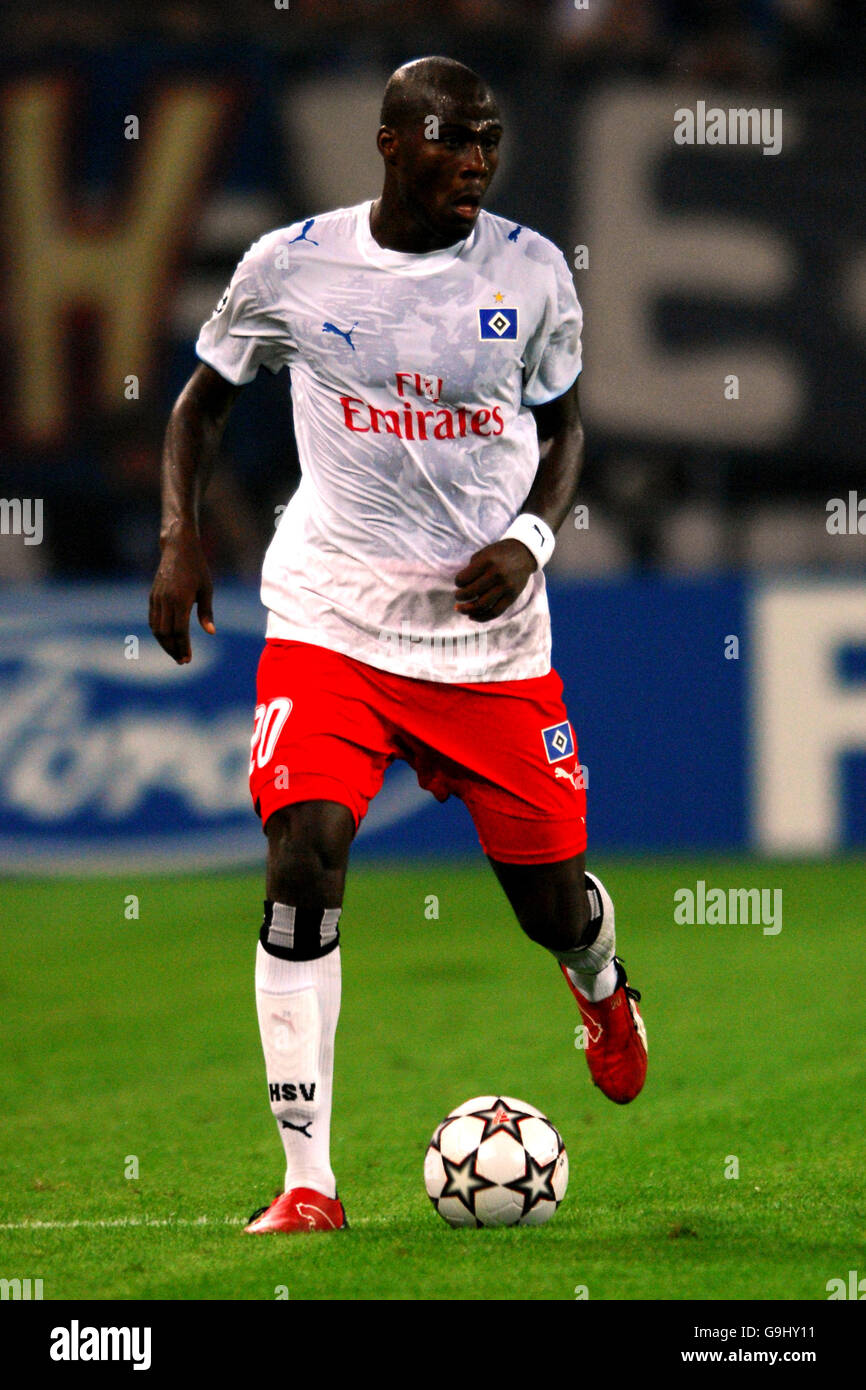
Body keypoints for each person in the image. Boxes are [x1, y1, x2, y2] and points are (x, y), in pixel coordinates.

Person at [149, 55, 647, 1235]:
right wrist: (179, 535)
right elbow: (201, 401)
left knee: (547, 906)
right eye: (450, 138)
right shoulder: (289, 264)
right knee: (303, 855)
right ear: (387, 141)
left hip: (486, 641)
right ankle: (307, 1178)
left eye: (487, 141)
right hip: (329, 618)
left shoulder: (530, 274)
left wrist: (529, 536)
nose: (474, 159)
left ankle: (601, 984)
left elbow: (566, 421)